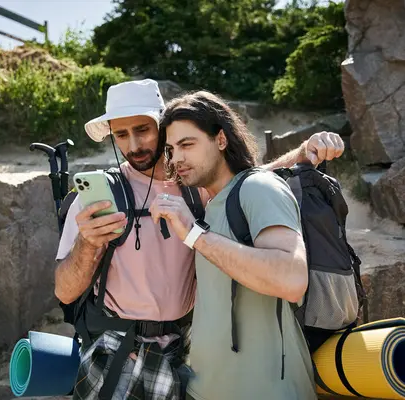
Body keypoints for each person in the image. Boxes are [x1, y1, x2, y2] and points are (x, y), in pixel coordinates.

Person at [55, 79, 344, 400]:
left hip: (187, 355)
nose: (133, 144)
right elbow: (65, 291)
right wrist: (87, 243)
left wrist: (302, 155)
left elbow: (252, 180)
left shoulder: (198, 183)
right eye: (121, 135)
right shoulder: (94, 199)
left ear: (163, 127)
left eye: (143, 130)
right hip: (117, 357)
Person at [150, 90, 331, 400]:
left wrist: (194, 235)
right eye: (170, 149)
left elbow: (291, 279)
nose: (176, 158)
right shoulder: (212, 204)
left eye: (187, 145)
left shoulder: (258, 188)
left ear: (221, 140)